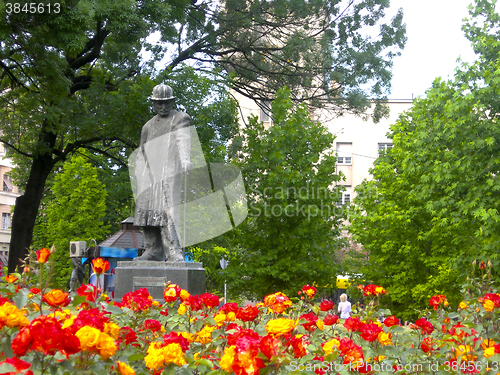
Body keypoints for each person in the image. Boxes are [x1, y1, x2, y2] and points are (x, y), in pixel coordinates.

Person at [132, 84, 192, 261]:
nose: (163, 107)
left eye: (167, 103)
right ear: (153, 104)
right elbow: (141, 151)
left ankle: (173, 250)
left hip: (169, 172)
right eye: (159, 104)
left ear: (172, 102)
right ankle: (153, 250)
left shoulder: (181, 119)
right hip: (149, 175)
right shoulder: (147, 126)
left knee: (168, 210)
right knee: (146, 211)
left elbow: (183, 140)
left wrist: (185, 160)